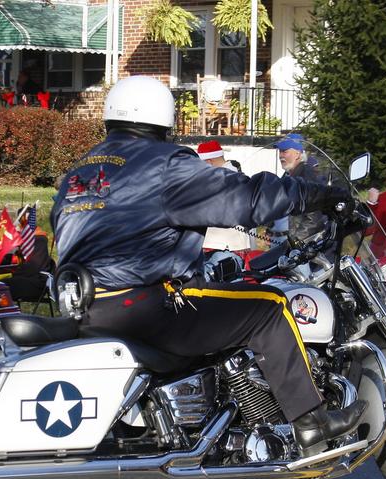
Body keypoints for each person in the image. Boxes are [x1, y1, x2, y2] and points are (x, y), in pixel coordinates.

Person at [52, 75, 367, 459]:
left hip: (83, 307)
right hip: (146, 305)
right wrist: (321, 195)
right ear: (163, 120)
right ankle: (312, 424)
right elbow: (245, 199)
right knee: (269, 307)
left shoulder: (80, 172)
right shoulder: (163, 164)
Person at [195, 140, 254, 254]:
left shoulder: (224, 178)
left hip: (222, 245)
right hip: (226, 243)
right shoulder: (234, 175)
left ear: (208, 162)